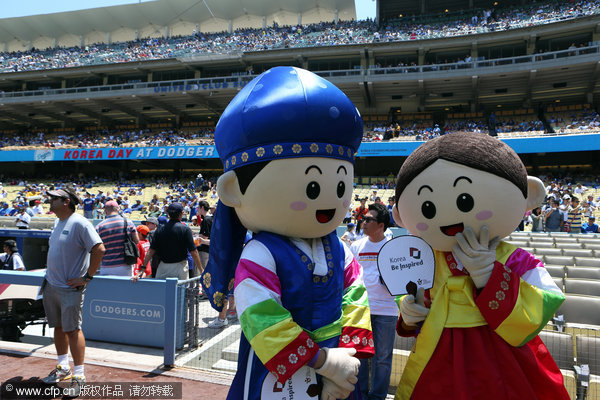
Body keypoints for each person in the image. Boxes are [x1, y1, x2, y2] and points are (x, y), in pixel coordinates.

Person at [201, 67, 374, 399]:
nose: (329, 199)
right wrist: (324, 362)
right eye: (312, 186)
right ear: (233, 190)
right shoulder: (261, 253)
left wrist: (348, 358)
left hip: (339, 360)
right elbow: (261, 316)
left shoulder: (338, 248)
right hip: (280, 372)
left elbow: (356, 295)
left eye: (340, 184)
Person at [393, 132, 567, 399]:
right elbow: (415, 310)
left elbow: (545, 302)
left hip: (504, 356)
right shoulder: (424, 258)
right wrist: (409, 313)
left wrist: (490, 276)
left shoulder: (513, 259)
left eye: (464, 201)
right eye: (428, 207)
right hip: (439, 357)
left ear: (528, 196)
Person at [41, 187, 105, 394]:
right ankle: (62, 368)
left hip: (70, 289)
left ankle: (79, 376)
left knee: (72, 330)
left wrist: (87, 278)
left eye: (54, 199)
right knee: (58, 327)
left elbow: (99, 248)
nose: (49, 201)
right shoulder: (58, 222)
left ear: (66, 201)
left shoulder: (80, 222)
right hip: (52, 284)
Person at [350, 203, 395, 400]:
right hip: (361, 311)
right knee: (360, 356)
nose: (363, 222)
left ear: (381, 225)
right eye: (363, 218)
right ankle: (360, 395)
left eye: (369, 219)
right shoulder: (356, 246)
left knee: (383, 360)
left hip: (387, 311)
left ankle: (377, 397)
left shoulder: (393, 248)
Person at [142, 203, 202, 280]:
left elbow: (151, 251)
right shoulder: (185, 229)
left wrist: (142, 268)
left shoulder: (159, 230)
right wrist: (201, 269)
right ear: (181, 213)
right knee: (180, 291)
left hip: (163, 266)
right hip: (180, 267)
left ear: (168, 214)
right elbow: (193, 251)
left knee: (162, 291)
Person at [95, 201, 139, 277]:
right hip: (124, 265)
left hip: (106, 266)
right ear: (118, 209)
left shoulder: (99, 226)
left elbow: (96, 248)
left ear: (105, 211)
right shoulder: (128, 222)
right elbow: (136, 241)